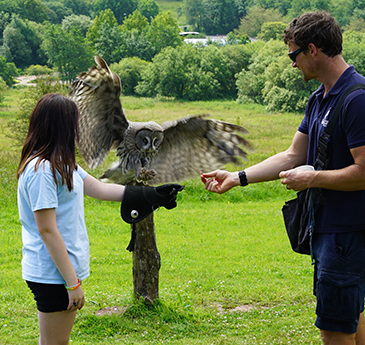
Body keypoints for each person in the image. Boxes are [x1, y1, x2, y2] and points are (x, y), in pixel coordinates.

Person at [201, 11, 365, 345]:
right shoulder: (319, 98)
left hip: (347, 236)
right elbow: (293, 155)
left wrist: (313, 179)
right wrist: (237, 176)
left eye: (294, 55)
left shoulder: (357, 99)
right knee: (353, 321)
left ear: (313, 50)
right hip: (330, 233)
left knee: (335, 330)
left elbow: (364, 172)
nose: (292, 64)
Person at [17, 93, 182, 345]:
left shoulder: (62, 163)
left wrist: (150, 195)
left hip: (59, 272)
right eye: (75, 123)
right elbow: (47, 230)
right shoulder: (42, 171)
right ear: (62, 126)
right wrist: (72, 284)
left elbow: (100, 189)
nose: (79, 129)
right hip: (52, 274)